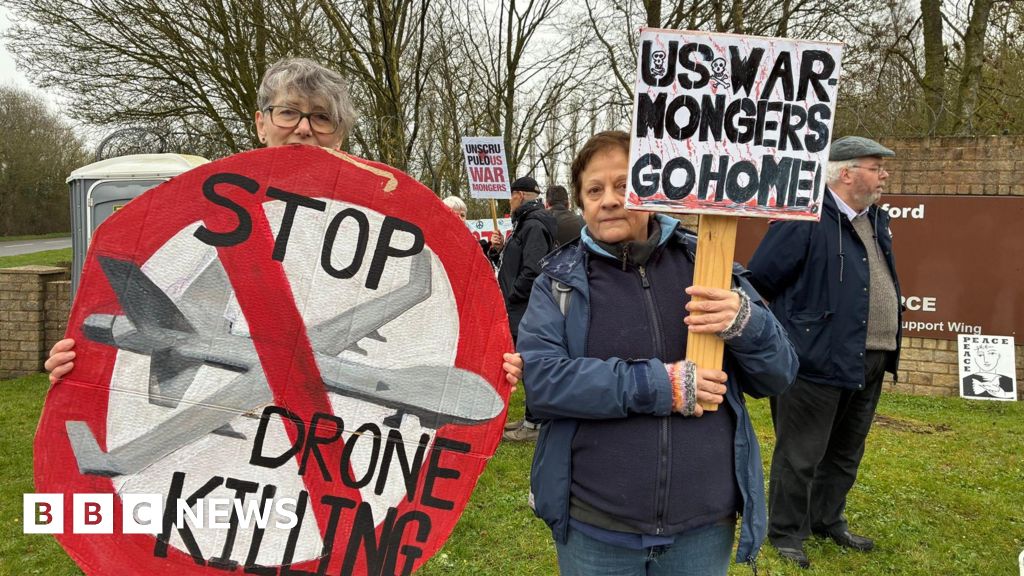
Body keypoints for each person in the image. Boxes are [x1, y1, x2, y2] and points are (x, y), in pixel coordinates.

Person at [46, 58, 523, 389]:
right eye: (288, 112)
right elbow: (141, 319)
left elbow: (428, 322)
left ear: (340, 135)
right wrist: (84, 363)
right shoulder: (207, 212)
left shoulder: (384, 229)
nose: (304, 128)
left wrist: (486, 359)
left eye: (322, 118)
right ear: (261, 122)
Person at [517, 130, 797, 575]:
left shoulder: (707, 265)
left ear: (653, 188)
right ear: (582, 202)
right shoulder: (558, 282)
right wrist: (661, 385)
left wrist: (747, 323)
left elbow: (779, 374)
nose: (610, 201)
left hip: (702, 526)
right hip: (597, 526)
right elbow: (545, 383)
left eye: (624, 185)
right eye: (594, 190)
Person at [746, 135, 902, 569]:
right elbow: (760, 281)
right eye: (875, 167)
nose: (884, 174)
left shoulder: (875, 221)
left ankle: (827, 519)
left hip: (869, 358)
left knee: (846, 450)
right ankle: (785, 532)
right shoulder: (803, 218)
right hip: (814, 360)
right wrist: (792, 337)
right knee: (801, 453)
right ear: (845, 172)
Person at [498, 175, 557, 442]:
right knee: (526, 365)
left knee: (530, 365)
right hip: (521, 307)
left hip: (524, 308)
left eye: (511, 196)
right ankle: (530, 418)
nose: (509, 202)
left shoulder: (533, 225)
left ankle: (534, 425)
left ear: (519, 195)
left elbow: (533, 269)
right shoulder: (527, 223)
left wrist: (512, 295)